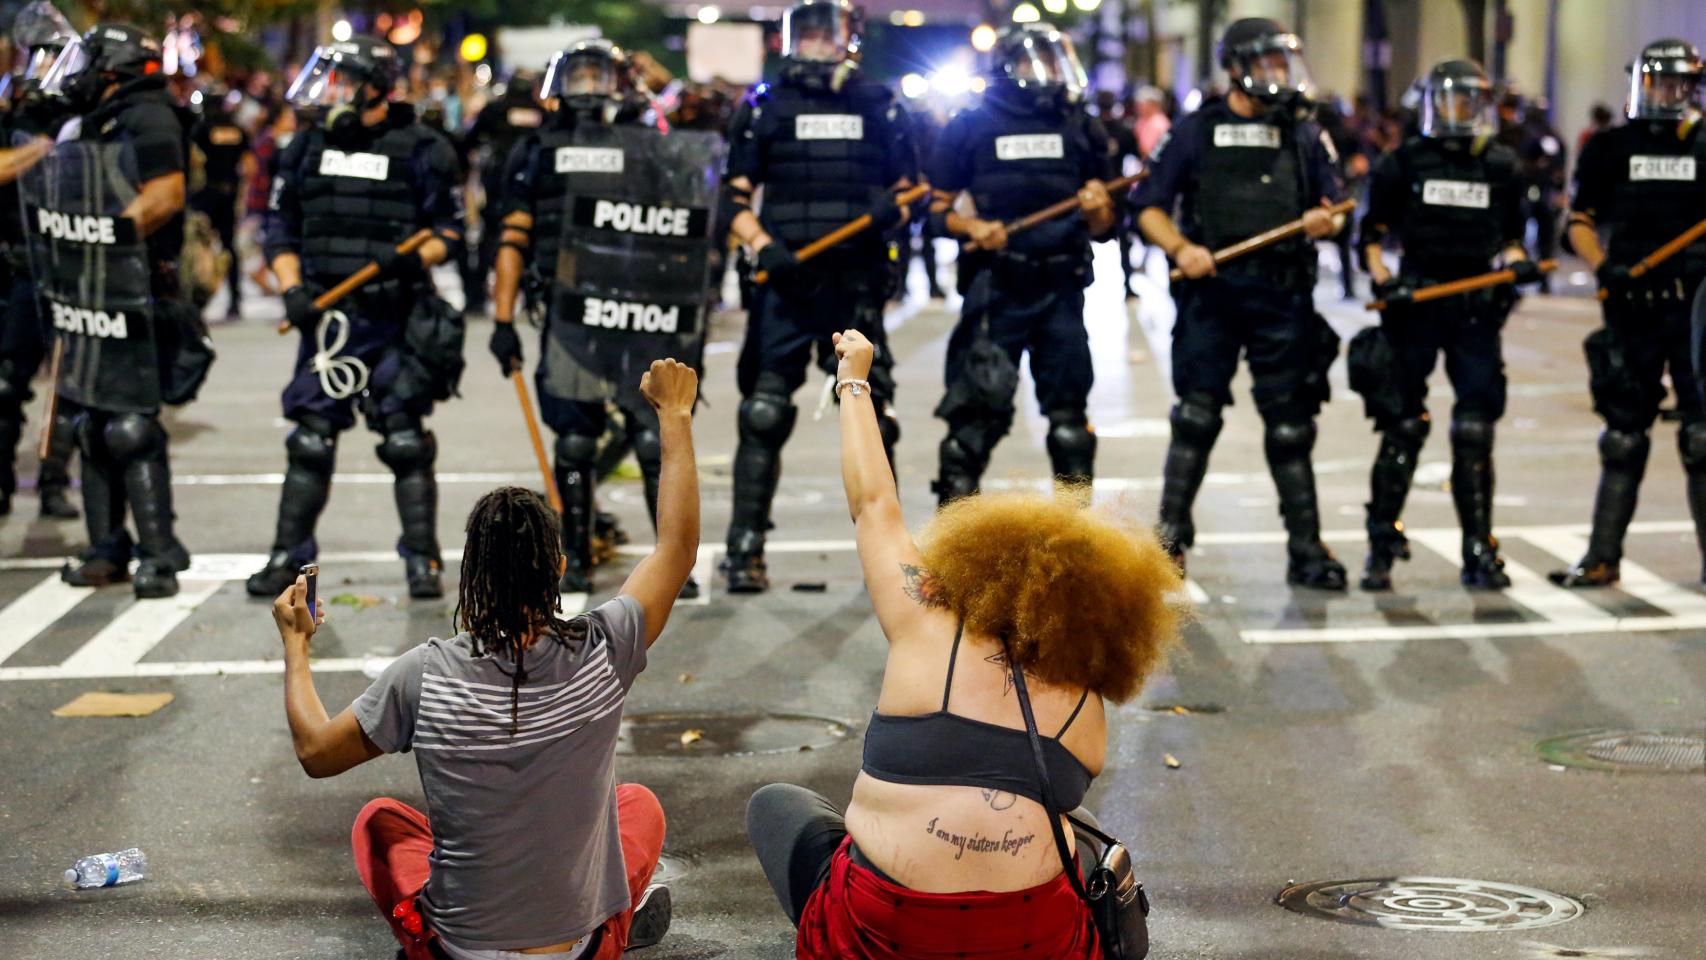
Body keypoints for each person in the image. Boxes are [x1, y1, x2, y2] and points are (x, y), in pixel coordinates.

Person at [746, 327, 1180, 958]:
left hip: (884, 929)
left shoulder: (926, 622)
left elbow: (874, 505)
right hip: (1032, 937)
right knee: (1080, 833)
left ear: (974, 562)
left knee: (777, 806)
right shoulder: (1087, 709)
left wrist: (854, 380)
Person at [270, 355, 701, 960]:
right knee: (637, 808)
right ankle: (617, 917)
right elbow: (677, 548)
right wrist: (676, 414)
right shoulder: (605, 648)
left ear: (468, 576)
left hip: (460, 950)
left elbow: (316, 752)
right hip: (583, 947)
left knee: (380, 823)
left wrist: (296, 646)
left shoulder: (424, 676)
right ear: (558, 570)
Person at [489, 39, 719, 598]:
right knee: (573, 443)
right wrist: (502, 319)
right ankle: (577, 556)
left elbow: (682, 227)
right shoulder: (537, 148)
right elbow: (513, 237)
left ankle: (671, 562)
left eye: (600, 77)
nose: (589, 89)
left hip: (638, 313)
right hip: (568, 316)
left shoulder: (648, 144)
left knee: (650, 438)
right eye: (579, 76)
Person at [1131, 16, 1349, 587]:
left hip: (1283, 295)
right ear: (1236, 68)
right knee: (1196, 419)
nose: (1278, 75)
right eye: (1266, 64)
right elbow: (1148, 204)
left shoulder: (1303, 131)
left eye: (1283, 63)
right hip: (1213, 295)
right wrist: (1180, 248)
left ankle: (1307, 551)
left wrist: (1324, 221)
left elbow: (1339, 203)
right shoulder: (1196, 129)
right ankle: (1170, 542)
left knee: (1290, 426)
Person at [247, 35, 466, 600]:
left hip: (396, 315)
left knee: (404, 440)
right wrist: (292, 289)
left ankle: (423, 561)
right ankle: (285, 556)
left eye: (342, 81)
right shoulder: (303, 148)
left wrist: (413, 256)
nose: (329, 94)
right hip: (329, 319)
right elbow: (280, 229)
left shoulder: (423, 148)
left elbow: (450, 232)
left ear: (374, 87)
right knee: (311, 441)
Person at [720, 0, 917, 593]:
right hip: (787, 280)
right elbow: (731, 199)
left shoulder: (879, 103)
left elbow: (913, 189)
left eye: (823, 34)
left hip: (854, 282)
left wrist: (891, 210)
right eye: (804, 34)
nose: (814, 44)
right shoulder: (764, 106)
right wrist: (762, 245)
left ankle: (891, 556)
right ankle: (745, 548)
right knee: (764, 411)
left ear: (846, 40)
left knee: (872, 417)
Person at [37, 23, 213, 598]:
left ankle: (159, 555)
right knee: (90, 424)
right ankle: (106, 549)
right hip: (91, 290)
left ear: (110, 66)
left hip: (140, 291)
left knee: (131, 427)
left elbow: (163, 197)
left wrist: (98, 238)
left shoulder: (151, 115)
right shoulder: (92, 120)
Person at [1354, 59, 1541, 592]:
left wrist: (1515, 260)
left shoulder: (1501, 165)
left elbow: (1510, 235)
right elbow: (1371, 234)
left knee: (1475, 428)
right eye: (1452, 100)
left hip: (1477, 306)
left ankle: (1478, 548)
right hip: (1417, 301)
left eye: (1470, 101)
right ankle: (1381, 542)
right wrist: (1383, 279)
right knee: (1404, 424)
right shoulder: (1404, 161)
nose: (1461, 110)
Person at [926, 23, 1115, 503]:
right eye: (1038, 61)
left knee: (1071, 423)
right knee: (972, 422)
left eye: (1055, 60)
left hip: (1062, 284)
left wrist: (1097, 210)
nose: (1050, 72)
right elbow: (935, 208)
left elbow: (1109, 222)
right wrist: (970, 228)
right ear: (1010, 69)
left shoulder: (1079, 124)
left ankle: (1074, 549)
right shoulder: (971, 124)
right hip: (997, 285)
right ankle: (953, 549)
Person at [1550, 39, 1706, 587]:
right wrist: (1602, 267)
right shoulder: (1611, 148)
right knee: (1622, 436)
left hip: (1696, 310)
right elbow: (1579, 219)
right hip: (1632, 306)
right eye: (1659, 82)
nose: (1668, 92)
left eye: (1678, 84)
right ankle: (1602, 556)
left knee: (1702, 437)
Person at [0, 0, 79, 520]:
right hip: (20, 262)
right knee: (9, 380)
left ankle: (54, 480)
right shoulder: (14, 117)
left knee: (70, 386)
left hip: (71, 262)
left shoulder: (83, 113)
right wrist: (47, 146)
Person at [462, 70, 544, 319]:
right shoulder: (540, 112)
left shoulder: (495, 109)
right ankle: (532, 297)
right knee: (531, 242)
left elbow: (470, 140)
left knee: (490, 241)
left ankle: (476, 298)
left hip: (499, 186)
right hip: (532, 188)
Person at [189, 83, 253, 321]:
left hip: (205, 195)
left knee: (198, 248)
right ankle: (235, 300)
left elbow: (192, 161)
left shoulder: (200, 128)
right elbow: (249, 165)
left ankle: (197, 299)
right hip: (229, 195)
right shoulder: (237, 129)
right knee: (229, 246)